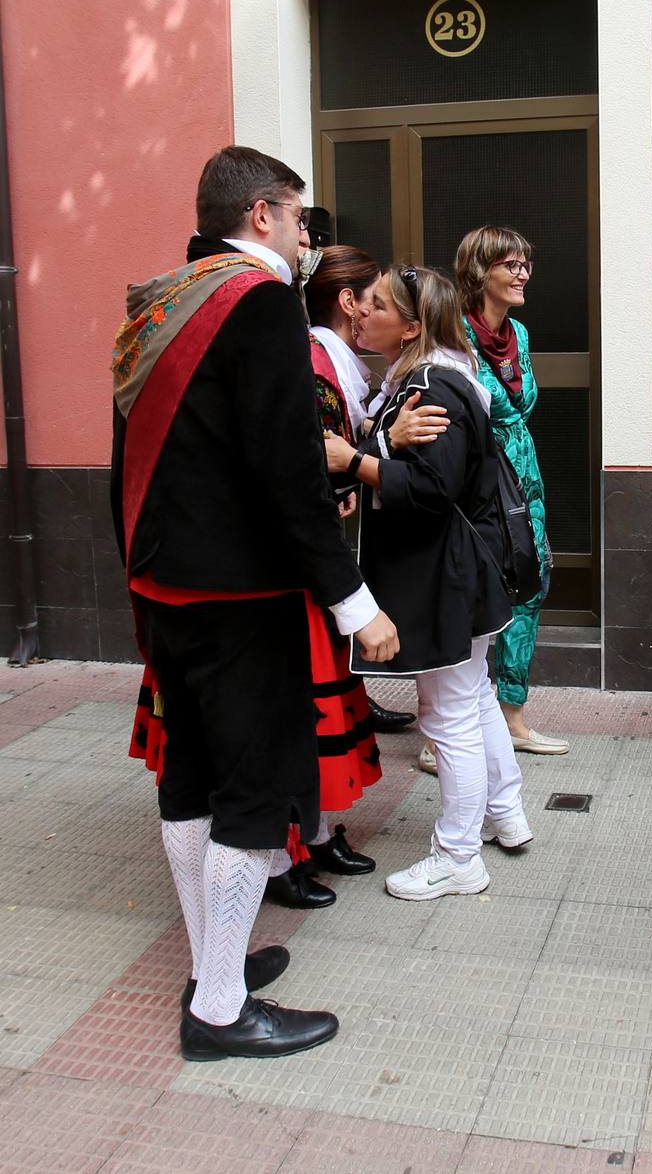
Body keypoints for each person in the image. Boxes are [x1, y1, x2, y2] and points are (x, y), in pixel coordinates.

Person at [110, 145, 399, 1062]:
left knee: (187, 777)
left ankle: (214, 967)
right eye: (302, 219)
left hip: (166, 584)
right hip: (242, 592)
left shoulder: (158, 300)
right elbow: (287, 467)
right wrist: (354, 603)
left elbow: (125, 461)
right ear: (264, 215)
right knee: (251, 793)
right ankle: (221, 1013)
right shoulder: (262, 303)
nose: (309, 238)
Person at [325, 266, 531, 900]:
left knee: (448, 718)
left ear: (412, 326)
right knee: (470, 700)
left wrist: (355, 462)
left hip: (446, 574)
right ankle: (506, 813)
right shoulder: (421, 378)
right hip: (458, 572)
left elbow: (434, 490)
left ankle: (458, 856)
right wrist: (380, 439)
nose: (361, 311)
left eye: (377, 304)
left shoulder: (430, 385)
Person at [410, 223, 565, 763]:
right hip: (472, 482)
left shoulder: (518, 334)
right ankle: (439, 734)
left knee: (530, 587)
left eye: (526, 263)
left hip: (523, 479)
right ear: (480, 271)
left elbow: (518, 405)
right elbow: (481, 407)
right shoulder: (454, 334)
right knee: (463, 597)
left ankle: (512, 715)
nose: (523, 273)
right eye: (511, 264)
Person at [303, 243, 445, 738]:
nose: (370, 310)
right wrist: (385, 441)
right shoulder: (319, 365)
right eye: (373, 299)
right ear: (348, 303)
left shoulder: (348, 364)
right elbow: (324, 458)